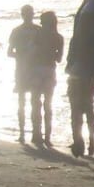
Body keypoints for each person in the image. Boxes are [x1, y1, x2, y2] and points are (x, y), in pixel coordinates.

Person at [30, 10, 64, 147]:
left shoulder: (37, 35)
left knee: (35, 103)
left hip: (37, 70)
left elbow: (32, 53)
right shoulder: (59, 37)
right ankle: (48, 136)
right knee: (47, 104)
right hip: (50, 70)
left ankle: (36, 134)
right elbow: (60, 58)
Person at [8, 4, 41, 143]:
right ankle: (24, 133)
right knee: (25, 102)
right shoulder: (32, 31)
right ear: (23, 15)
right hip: (24, 69)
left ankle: (34, 133)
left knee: (34, 102)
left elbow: (10, 52)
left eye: (30, 13)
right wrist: (23, 55)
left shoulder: (38, 31)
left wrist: (23, 56)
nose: (29, 16)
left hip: (30, 70)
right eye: (27, 13)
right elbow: (9, 52)